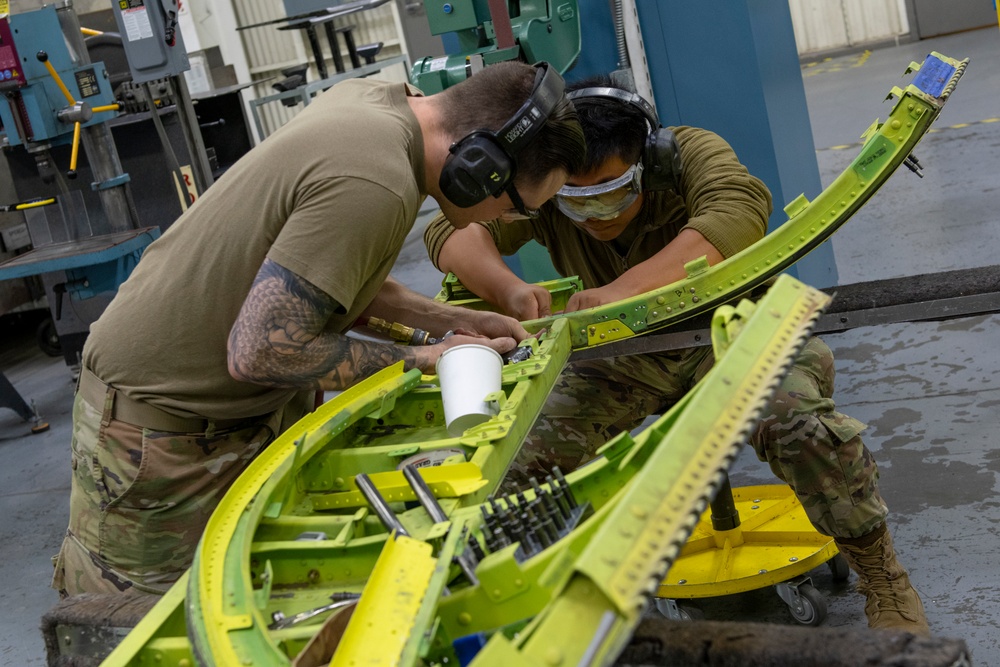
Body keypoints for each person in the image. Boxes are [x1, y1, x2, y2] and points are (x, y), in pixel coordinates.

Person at [51, 61, 586, 597]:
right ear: (478, 165)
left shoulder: (380, 101)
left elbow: (325, 276)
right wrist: (427, 360)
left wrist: (456, 321)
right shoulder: (374, 180)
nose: (511, 221)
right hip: (158, 434)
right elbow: (260, 350)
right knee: (145, 627)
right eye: (518, 207)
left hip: (222, 418)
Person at [423, 77, 929, 635]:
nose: (595, 216)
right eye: (575, 201)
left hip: (736, 330)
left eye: (613, 193)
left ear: (649, 162)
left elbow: (738, 212)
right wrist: (507, 291)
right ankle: (525, 612)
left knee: (796, 423)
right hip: (621, 359)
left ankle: (883, 578)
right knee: (511, 457)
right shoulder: (546, 181)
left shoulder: (686, 152)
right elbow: (450, 227)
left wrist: (621, 291)